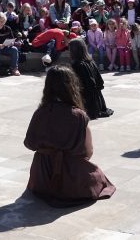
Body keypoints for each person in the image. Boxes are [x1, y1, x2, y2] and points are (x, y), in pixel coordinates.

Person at [24, 65, 115, 207]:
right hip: (71, 174)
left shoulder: (40, 112)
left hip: (41, 176)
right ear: (72, 86)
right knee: (97, 177)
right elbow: (88, 152)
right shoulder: (78, 115)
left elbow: (29, 143)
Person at [68, 38, 112, 119]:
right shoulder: (90, 61)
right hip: (97, 99)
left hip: (87, 99)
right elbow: (99, 81)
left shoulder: (78, 65)